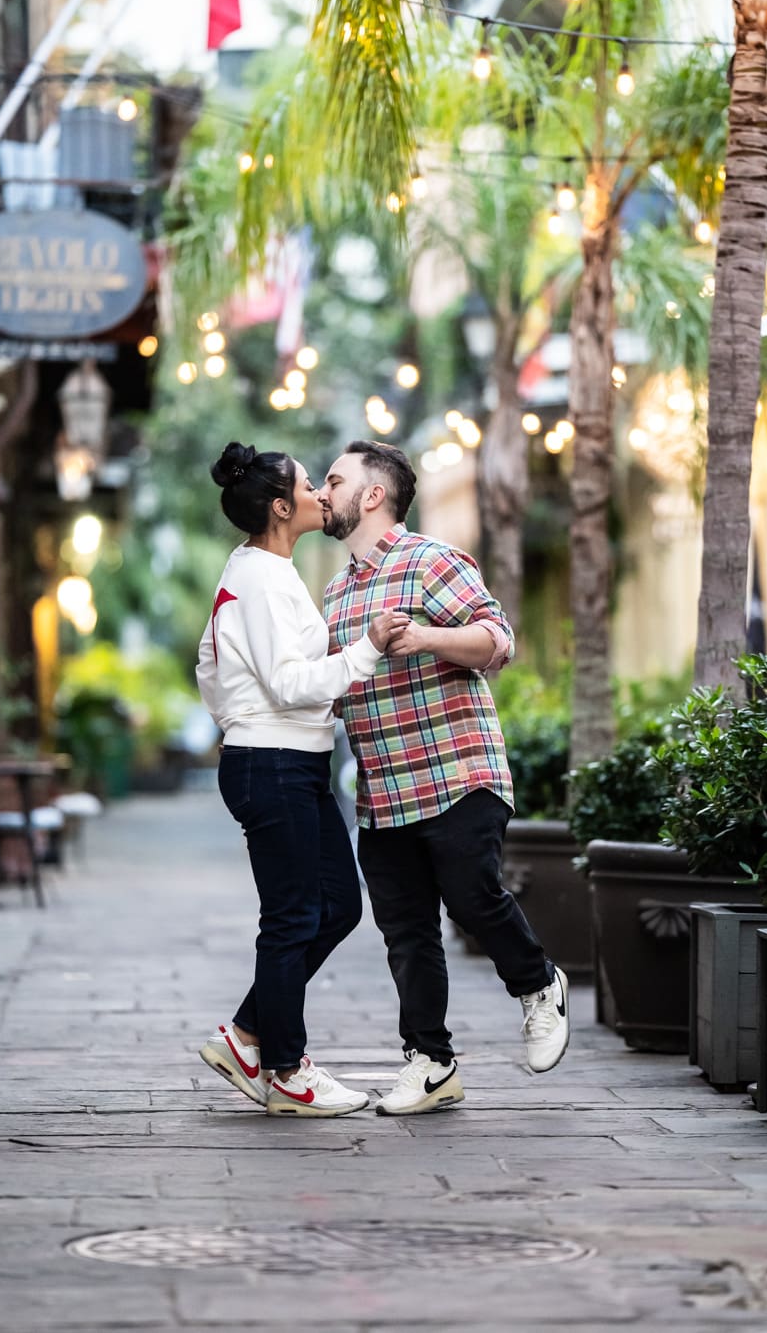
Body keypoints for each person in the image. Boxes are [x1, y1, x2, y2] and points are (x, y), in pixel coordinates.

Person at [320, 440, 569, 1117]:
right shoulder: (336, 594)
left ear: (373, 495)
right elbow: (334, 689)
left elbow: (499, 638)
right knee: (405, 934)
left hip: (457, 771)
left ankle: (539, 985)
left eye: (334, 480)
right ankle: (430, 1063)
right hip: (383, 791)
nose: (322, 491)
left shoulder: (430, 561)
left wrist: (426, 638)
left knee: (471, 899)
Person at [196, 441, 408, 1118]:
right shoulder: (258, 578)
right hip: (273, 763)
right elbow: (288, 684)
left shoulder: (267, 571)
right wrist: (368, 649)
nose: (322, 493)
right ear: (283, 507)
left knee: (338, 906)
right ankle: (285, 1070)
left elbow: (214, 670)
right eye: (311, 485)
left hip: (294, 761)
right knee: (290, 920)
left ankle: (248, 1034)